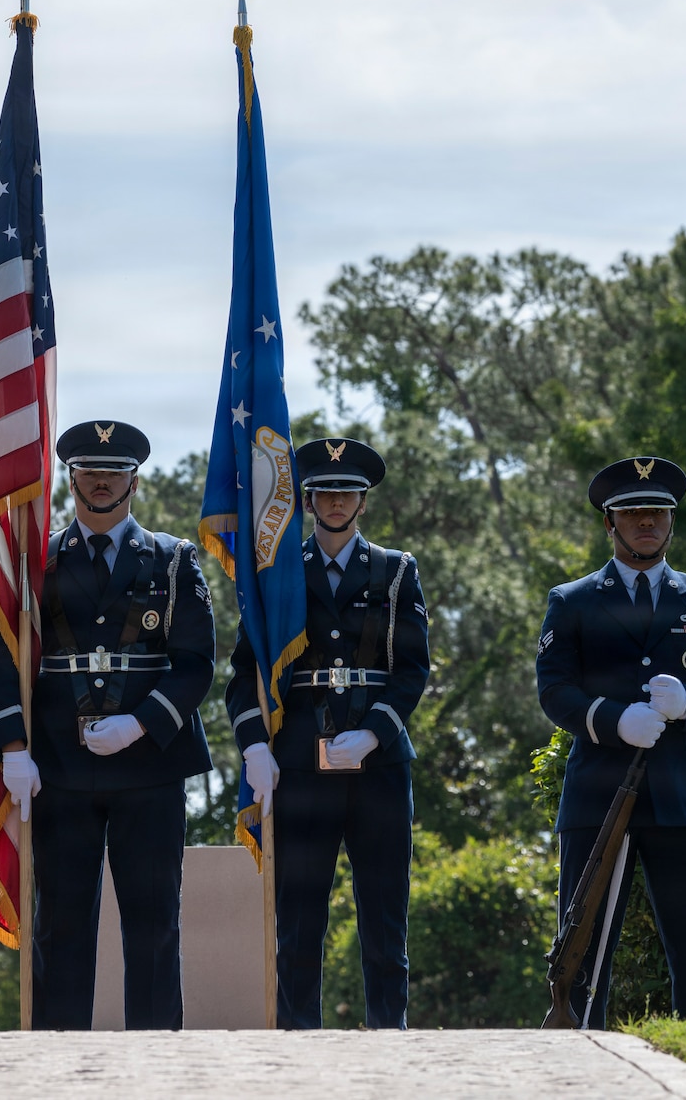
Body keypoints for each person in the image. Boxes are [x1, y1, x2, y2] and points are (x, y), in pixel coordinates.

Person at [0, 419, 215, 1029]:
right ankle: (60, 1060)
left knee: (155, 919)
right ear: (71, 477)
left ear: (133, 478)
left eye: (113, 471)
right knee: (59, 921)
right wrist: (12, 747)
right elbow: (3, 653)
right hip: (57, 763)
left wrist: (140, 724)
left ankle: (157, 1054)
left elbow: (196, 663)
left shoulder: (172, 560)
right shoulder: (36, 562)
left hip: (150, 765)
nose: (102, 481)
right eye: (90, 470)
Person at [537, 456, 686, 1028]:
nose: (646, 522)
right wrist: (613, 719)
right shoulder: (573, 600)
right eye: (633, 513)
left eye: (656, 512)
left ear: (671, 521)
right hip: (598, 792)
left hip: (682, 795)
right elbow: (555, 691)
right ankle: (576, 1064)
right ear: (610, 523)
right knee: (583, 953)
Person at [224, 436, 431, 1029]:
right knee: (298, 921)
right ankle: (296, 1047)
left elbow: (412, 669)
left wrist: (373, 734)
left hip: (379, 768)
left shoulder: (395, 573)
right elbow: (244, 674)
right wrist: (254, 746)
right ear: (308, 500)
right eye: (325, 492)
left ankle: (389, 1035)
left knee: (386, 919)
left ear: (363, 500)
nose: (336, 502)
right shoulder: (276, 574)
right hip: (299, 765)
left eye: (348, 492)